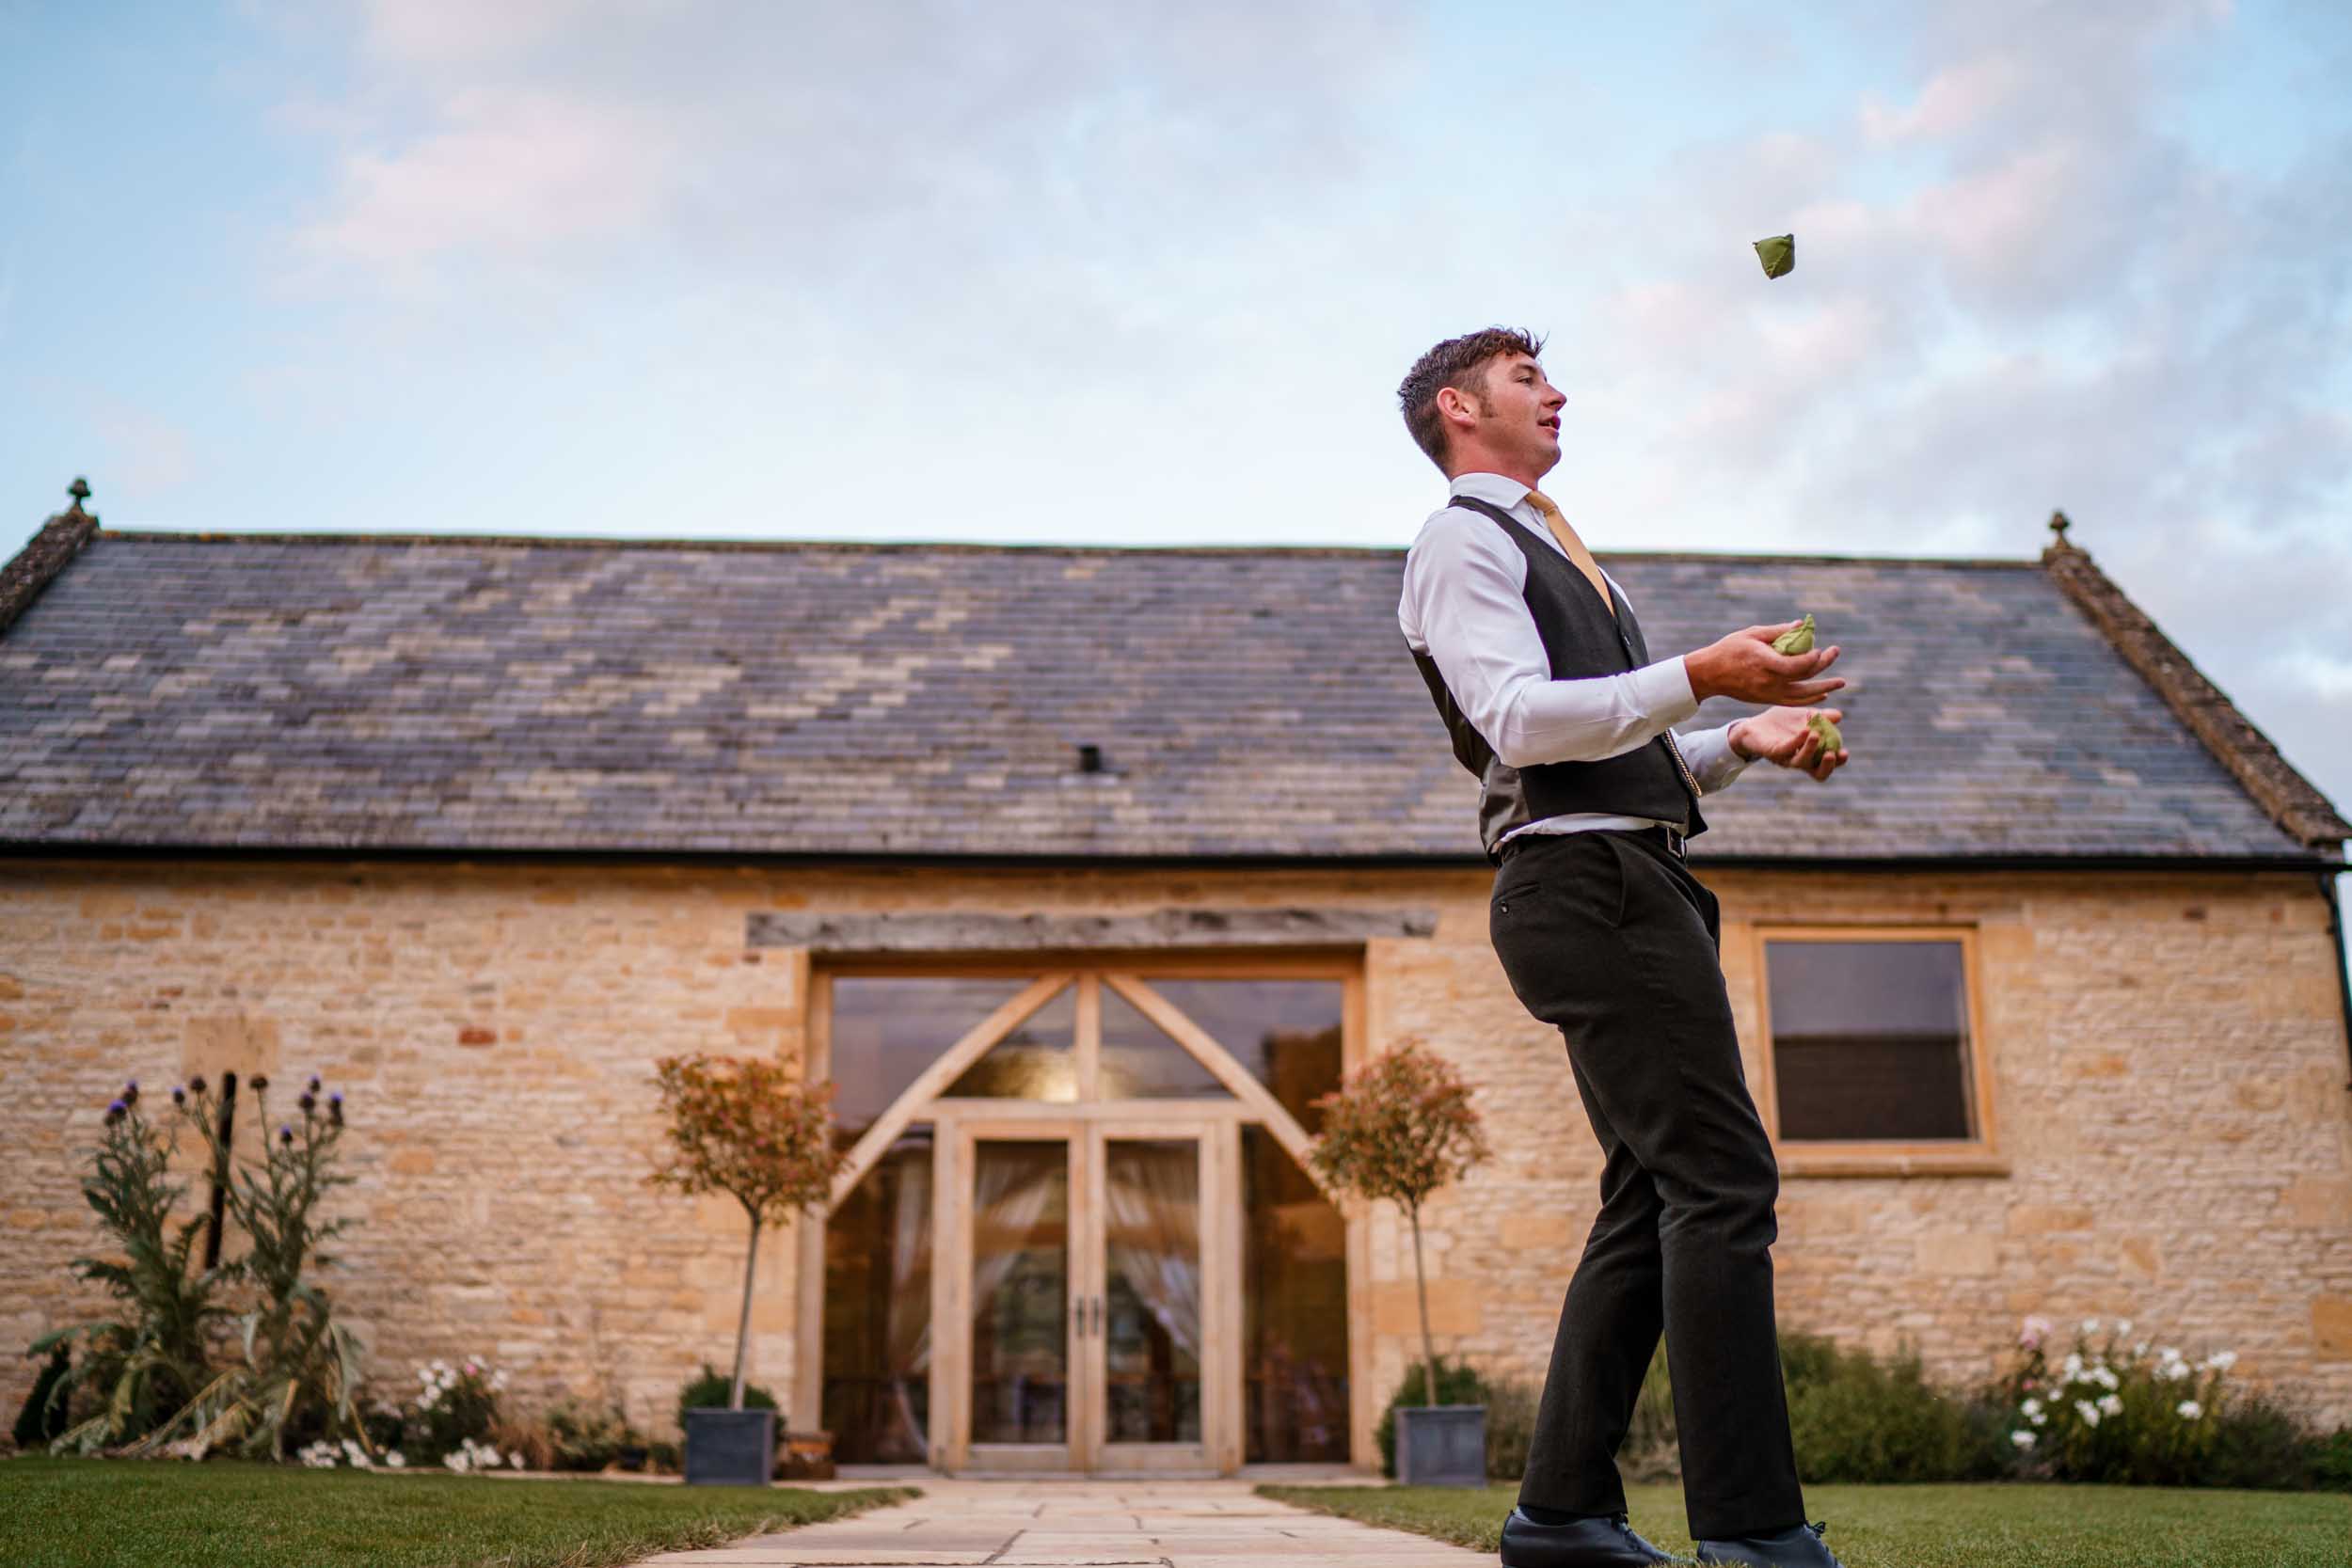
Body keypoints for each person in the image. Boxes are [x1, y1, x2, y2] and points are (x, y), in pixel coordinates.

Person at [1395, 327, 1853, 1568]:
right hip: (1586, 889)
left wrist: (1737, 743)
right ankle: (1754, 1533)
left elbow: (1612, 758)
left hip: (1624, 870)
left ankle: (1560, 1517)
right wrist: (1701, 672)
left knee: (1652, 1194)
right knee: (1722, 1182)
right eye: (1529, 378)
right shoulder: (1465, 537)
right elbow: (1521, 724)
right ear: (1459, 405)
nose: (1556, 394)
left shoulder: (1557, 552)